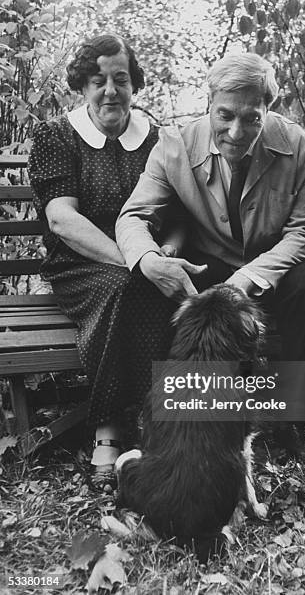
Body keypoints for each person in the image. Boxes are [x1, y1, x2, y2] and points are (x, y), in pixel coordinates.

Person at [116, 52, 305, 468]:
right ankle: (168, 422)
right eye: (225, 115)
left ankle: (296, 421)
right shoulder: (174, 145)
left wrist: (249, 278)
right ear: (209, 102)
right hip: (212, 267)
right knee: (144, 286)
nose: (236, 132)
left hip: (276, 267)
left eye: (251, 118)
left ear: (267, 109)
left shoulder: (301, 148)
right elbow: (134, 216)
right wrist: (148, 258)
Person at [28, 34, 192, 489]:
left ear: (134, 84)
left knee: (164, 288)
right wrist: (136, 260)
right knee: (126, 286)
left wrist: (169, 251)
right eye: (97, 79)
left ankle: (161, 424)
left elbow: (177, 216)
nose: (110, 90)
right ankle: (110, 427)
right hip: (80, 264)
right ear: (82, 85)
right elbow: (62, 220)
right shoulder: (57, 135)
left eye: (121, 78)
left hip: (149, 261)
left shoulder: (157, 139)